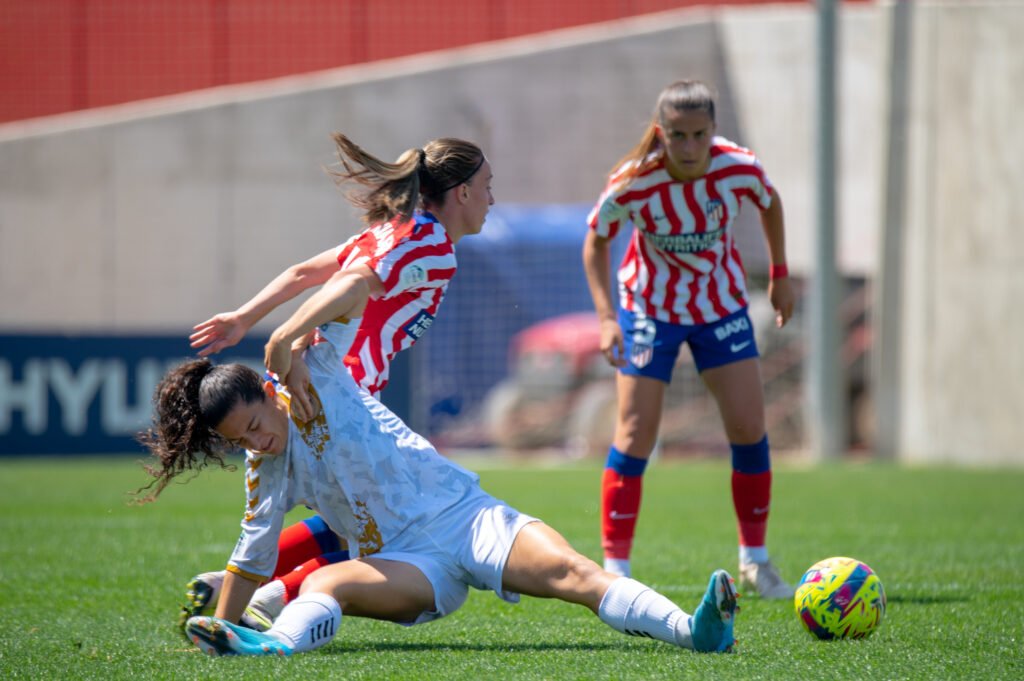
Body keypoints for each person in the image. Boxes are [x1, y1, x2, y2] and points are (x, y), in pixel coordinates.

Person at [135, 289, 740, 658]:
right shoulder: (264, 469)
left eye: (257, 424)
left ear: (270, 391)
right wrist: (219, 628)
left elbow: (357, 287)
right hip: (406, 565)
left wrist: (287, 337)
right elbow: (251, 553)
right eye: (241, 441)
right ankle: (272, 646)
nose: (258, 442)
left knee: (570, 571)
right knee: (324, 585)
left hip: (466, 515)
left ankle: (695, 632)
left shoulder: (315, 368)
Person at [178, 132, 494, 628]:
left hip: (318, 380)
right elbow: (352, 286)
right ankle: (276, 591)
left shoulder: (390, 229)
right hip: (345, 387)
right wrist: (293, 342)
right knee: (388, 524)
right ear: (462, 192)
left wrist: (244, 316)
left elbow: (307, 272)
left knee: (338, 511)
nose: (492, 199)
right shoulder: (430, 245)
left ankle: (240, 584)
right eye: (488, 185)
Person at [581, 79, 796, 599]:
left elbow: (769, 202)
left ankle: (755, 561)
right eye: (679, 135)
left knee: (748, 427)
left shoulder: (738, 167)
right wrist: (608, 317)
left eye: (700, 134)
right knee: (635, 433)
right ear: (662, 133)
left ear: (714, 131)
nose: (691, 147)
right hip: (650, 309)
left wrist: (780, 271)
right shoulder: (634, 181)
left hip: (720, 306)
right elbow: (596, 241)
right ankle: (617, 570)